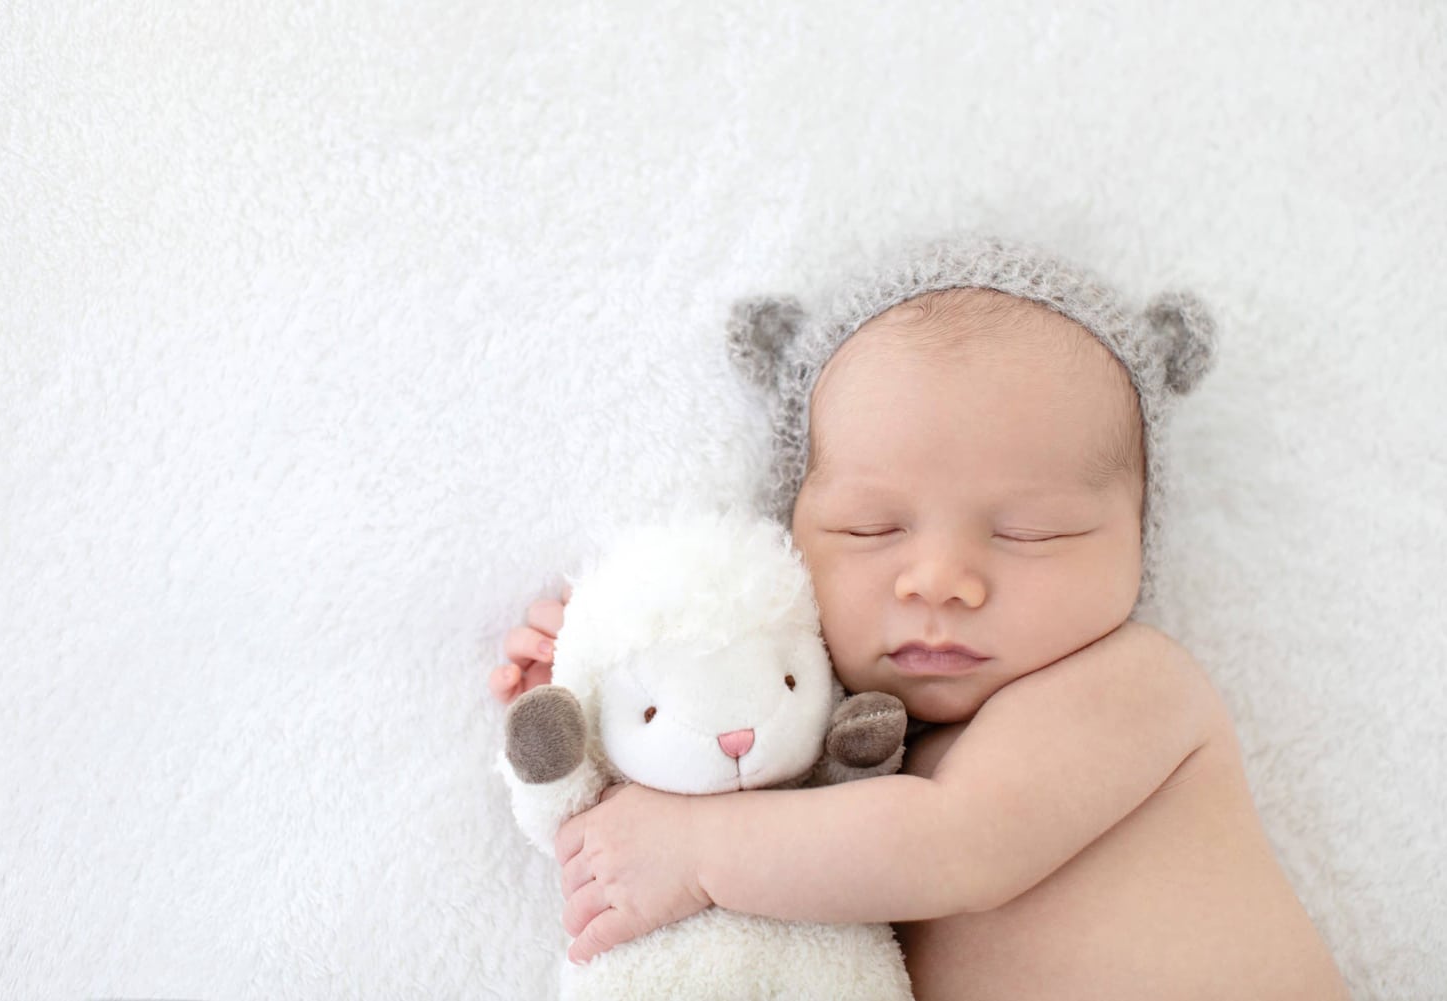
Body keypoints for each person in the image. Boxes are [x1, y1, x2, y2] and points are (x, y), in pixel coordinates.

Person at [488, 237, 1349, 1000]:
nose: (941, 582)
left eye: (1030, 531)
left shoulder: (1133, 684)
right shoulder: (827, 753)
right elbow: (722, 803)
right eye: (873, 528)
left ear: (1137, 539)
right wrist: (599, 694)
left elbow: (952, 845)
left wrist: (698, 850)